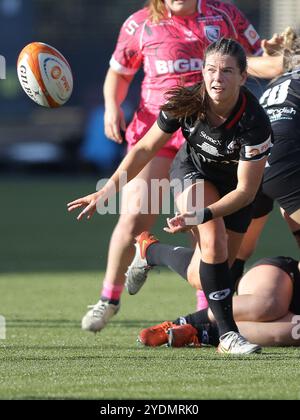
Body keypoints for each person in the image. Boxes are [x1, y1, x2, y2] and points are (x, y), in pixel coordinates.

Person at [80, 0, 282, 333]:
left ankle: (204, 312)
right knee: (133, 216)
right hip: (161, 131)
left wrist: (282, 59)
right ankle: (108, 298)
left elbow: (255, 60)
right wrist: (111, 107)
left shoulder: (224, 14)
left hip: (213, 135)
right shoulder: (139, 24)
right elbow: (119, 72)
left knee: (209, 241)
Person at [229, 26, 300, 284]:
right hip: (283, 158)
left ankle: (156, 252)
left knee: (236, 254)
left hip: (250, 159)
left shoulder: (280, 80)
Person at [137, 255, 300, 348]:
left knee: (295, 330)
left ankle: (197, 334)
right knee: (269, 304)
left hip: (293, 316)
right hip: (284, 277)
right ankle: (181, 322)